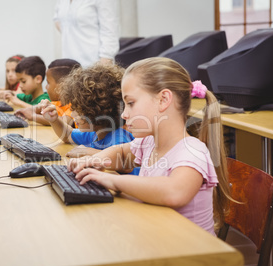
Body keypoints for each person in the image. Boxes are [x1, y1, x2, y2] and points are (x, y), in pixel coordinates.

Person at [68, 57, 232, 235]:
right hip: (156, 237)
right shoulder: (149, 142)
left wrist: (112, 180)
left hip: (191, 253)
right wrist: (95, 160)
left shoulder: (192, 151)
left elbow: (174, 191)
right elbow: (122, 153)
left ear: (163, 100)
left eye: (130, 103)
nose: (124, 114)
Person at [40, 63, 134, 158]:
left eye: (76, 109)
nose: (72, 114)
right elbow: (67, 135)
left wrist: (90, 152)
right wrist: (54, 120)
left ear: (94, 111)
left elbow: (123, 160)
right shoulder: (95, 134)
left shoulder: (119, 138)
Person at [15, 58, 81, 126]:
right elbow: (40, 107)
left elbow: (66, 121)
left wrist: (33, 116)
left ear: (61, 86)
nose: (46, 87)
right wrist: (30, 110)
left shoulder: (75, 106)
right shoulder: (59, 103)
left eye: (48, 83)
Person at [53, 0, 120, 67]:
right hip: (69, 63)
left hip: (94, 64)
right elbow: (57, 20)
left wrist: (103, 67)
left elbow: (110, 32)